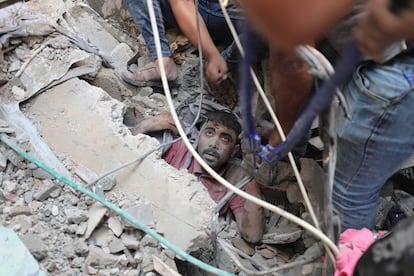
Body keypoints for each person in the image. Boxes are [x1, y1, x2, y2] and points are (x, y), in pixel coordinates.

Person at [239, 0, 414, 231]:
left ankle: (346, 260)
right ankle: (293, 156)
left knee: (350, 194)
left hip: (400, 70)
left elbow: (295, 65)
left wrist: (281, 135)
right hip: (385, 42)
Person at [133, 109, 265, 243]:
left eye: (225, 139)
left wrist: (251, 180)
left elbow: (252, 235)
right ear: (198, 136)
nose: (214, 144)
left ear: (234, 150)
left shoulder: (233, 179)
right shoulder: (177, 148)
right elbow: (126, 156)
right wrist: (147, 125)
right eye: (209, 133)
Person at [121, 0, 249, 86]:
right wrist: (212, 55)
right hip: (200, 8)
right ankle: (164, 62)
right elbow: (182, 3)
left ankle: (218, 69)